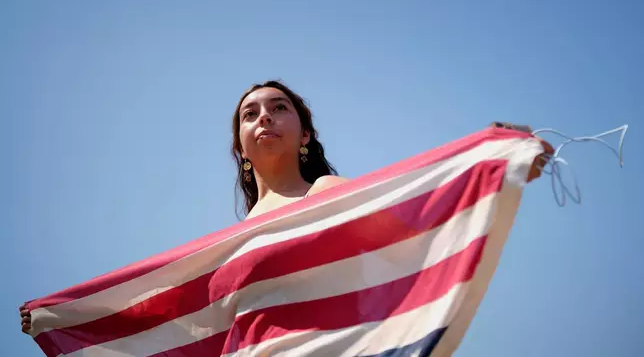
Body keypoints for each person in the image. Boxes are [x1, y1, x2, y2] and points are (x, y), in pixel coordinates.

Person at [19, 80, 551, 334]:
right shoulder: (229, 243)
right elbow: (165, 314)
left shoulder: (325, 195)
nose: (264, 118)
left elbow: (413, 221)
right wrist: (65, 316)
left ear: (303, 134)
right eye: (250, 114)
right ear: (242, 149)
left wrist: (490, 165)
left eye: (279, 108)